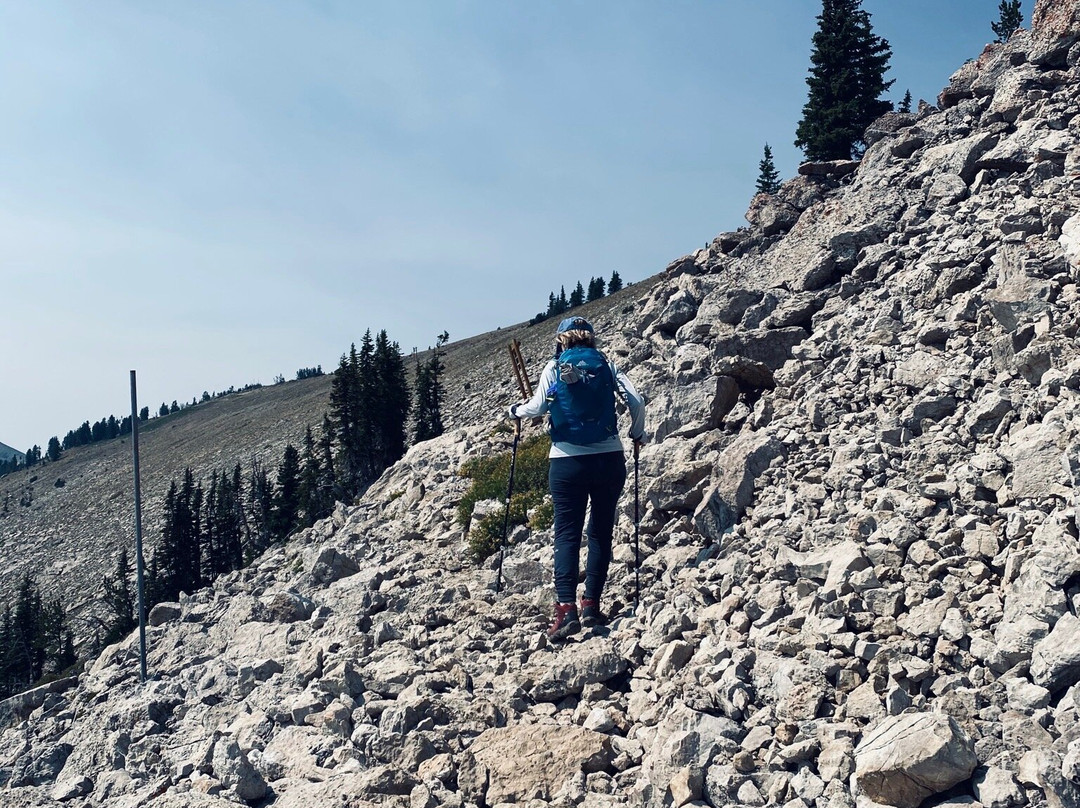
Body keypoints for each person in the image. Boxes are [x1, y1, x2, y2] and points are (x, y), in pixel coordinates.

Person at [509, 316, 646, 640]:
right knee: (600, 531)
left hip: (566, 461)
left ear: (561, 341)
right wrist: (636, 433)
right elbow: (637, 401)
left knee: (567, 534)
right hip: (608, 458)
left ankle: (566, 611)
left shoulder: (554, 367)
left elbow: (538, 406)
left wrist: (515, 410)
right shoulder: (607, 365)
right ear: (591, 339)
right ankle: (591, 606)